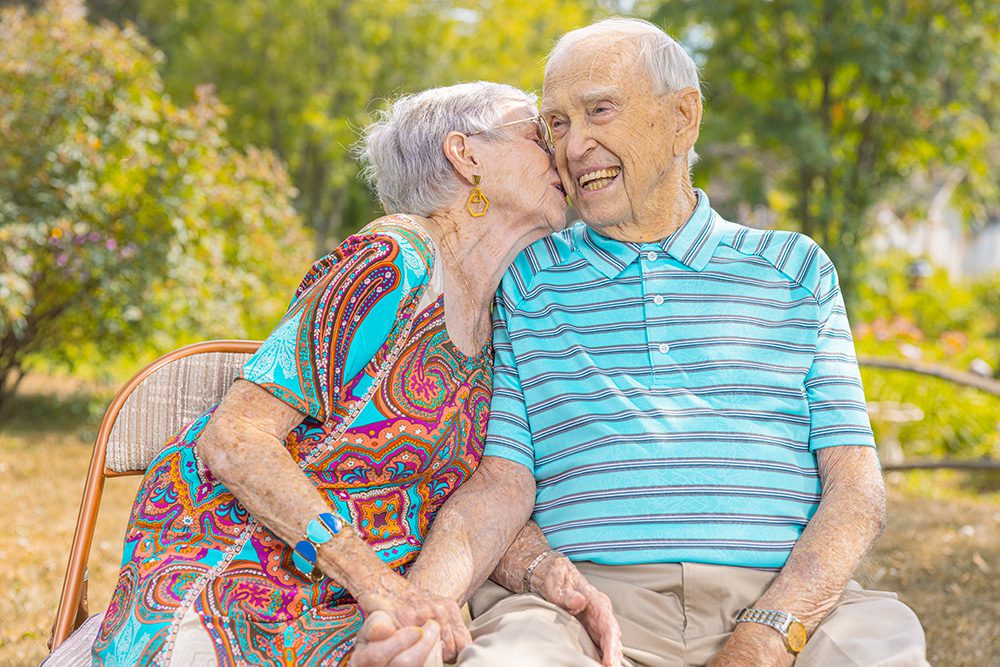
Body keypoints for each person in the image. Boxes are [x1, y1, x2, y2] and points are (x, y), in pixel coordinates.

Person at [351, 18, 929, 667]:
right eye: (557, 125)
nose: (574, 147)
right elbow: (501, 480)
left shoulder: (794, 269)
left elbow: (856, 490)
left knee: (881, 641)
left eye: (600, 110)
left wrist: (764, 637)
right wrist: (422, 604)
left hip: (781, 602)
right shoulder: (530, 280)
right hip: (584, 608)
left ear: (683, 118)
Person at [90, 80, 580, 666]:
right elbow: (236, 438)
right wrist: (377, 582)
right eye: (536, 134)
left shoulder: (499, 318)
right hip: (237, 569)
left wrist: (544, 569)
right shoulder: (393, 261)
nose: (561, 153)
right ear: (466, 155)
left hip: (347, 604)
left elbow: (465, 497)